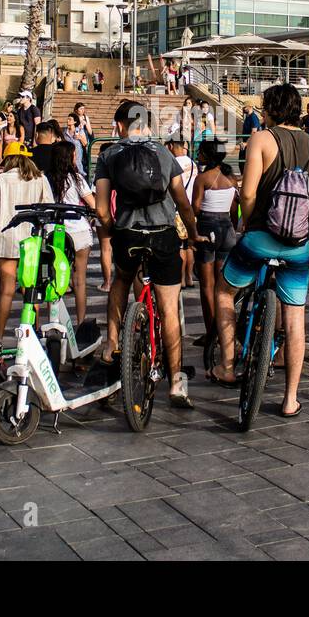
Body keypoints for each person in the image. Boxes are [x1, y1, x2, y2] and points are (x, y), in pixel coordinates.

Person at [211, 84, 309, 418]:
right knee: (295, 319)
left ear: (270, 109)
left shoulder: (261, 140)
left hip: (260, 235)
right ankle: (291, 398)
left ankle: (229, 364)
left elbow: (247, 194)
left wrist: (248, 224)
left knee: (224, 290)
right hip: (297, 246)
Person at [95, 99, 201, 408]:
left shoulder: (109, 155)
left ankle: (112, 344)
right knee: (169, 309)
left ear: (120, 125)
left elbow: (102, 211)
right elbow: (182, 201)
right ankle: (177, 382)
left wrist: (114, 229)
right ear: (148, 124)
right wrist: (192, 232)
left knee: (120, 282)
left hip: (128, 234)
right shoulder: (165, 153)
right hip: (163, 235)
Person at [0, 150, 53, 346]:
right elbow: (49, 206)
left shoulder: (2, 179)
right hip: (31, 241)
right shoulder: (40, 178)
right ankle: (32, 337)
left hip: (6, 240)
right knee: (31, 291)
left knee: (6, 291)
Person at [191, 139, 239, 349]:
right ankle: (225, 331)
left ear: (207, 156)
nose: (198, 155)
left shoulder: (202, 178)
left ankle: (211, 333)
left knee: (207, 285)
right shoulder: (232, 177)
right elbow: (235, 208)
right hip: (228, 230)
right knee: (223, 287)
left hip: (207, 227)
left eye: (201, 152)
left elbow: (195, 208)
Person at [48, 140, 96, 326]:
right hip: (79, 231)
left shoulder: (47, 179)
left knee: (55, 279)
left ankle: (56, 322)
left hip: (55, 232)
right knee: (80, 281)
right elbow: (92, 204)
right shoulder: (76, 179)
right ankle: (81, 322)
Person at [167, 136, 198, 287]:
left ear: (172, 146)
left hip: (177, 210)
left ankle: (181, 279)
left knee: (180, 247)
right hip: (191, 210)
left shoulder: (172, 163)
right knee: (189, 245)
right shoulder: (193, 164)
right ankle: (189, 276)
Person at [239, 104, 262, 172]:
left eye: (245, 107)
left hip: (250, 144)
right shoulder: (248, 116)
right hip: (245, 142)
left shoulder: (253, 117)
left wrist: (246, 143)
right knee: (241, 164)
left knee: (246, 166)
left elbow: (254, 132)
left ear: (250, 107)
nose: (243, 108)